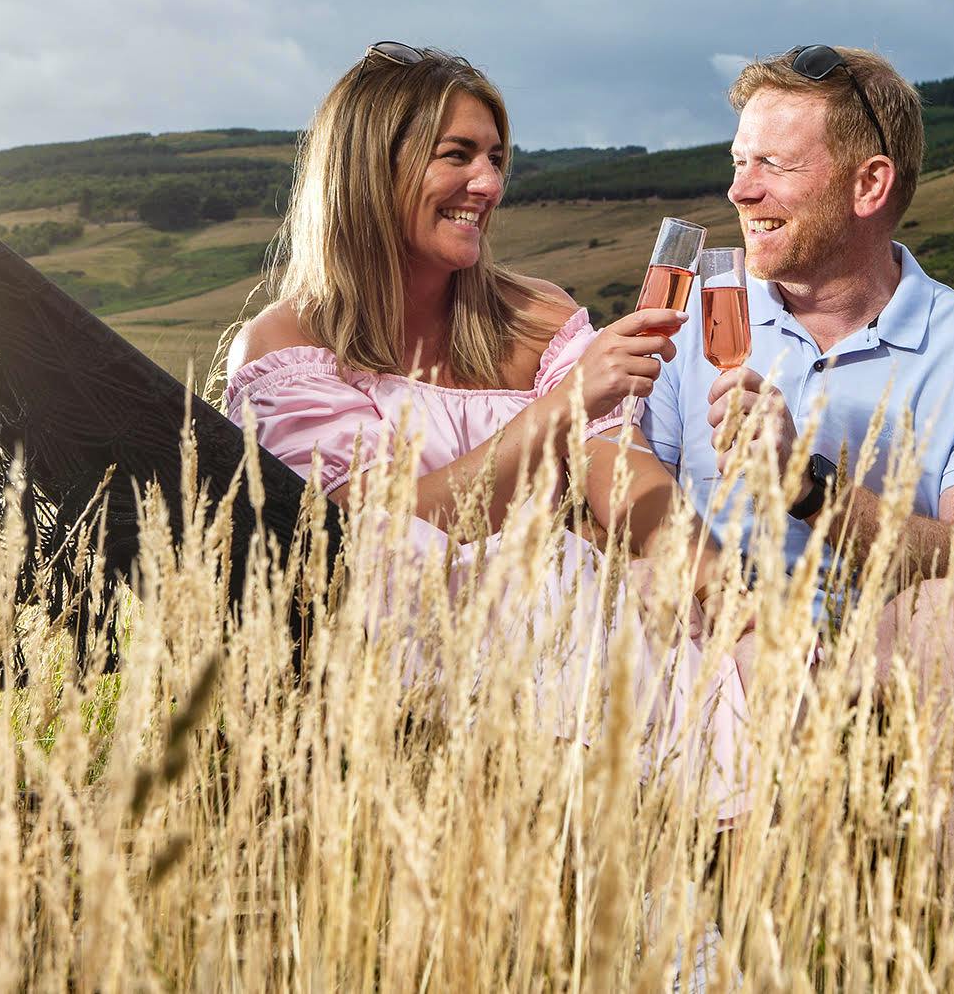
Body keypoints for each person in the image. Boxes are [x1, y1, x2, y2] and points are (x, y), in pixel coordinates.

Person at [224, 42, 746, 812]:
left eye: (498, 158)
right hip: (410, 661)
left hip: (568, 632)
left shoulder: (537, 314)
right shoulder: (289, 344)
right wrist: (566, 405)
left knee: (730, 645)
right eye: (458, 155)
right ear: (373, 166)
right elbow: (372, 538)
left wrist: (717, 579)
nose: (490, 183)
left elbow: (618, 466)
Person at [639, 43, 954, 818]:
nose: (739, 187)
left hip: (873, 645)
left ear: (869, 184)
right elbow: (622, 501)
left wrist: (809, 486)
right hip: (711, 628)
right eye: (738, 159)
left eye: (773, 165)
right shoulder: (692, 313)